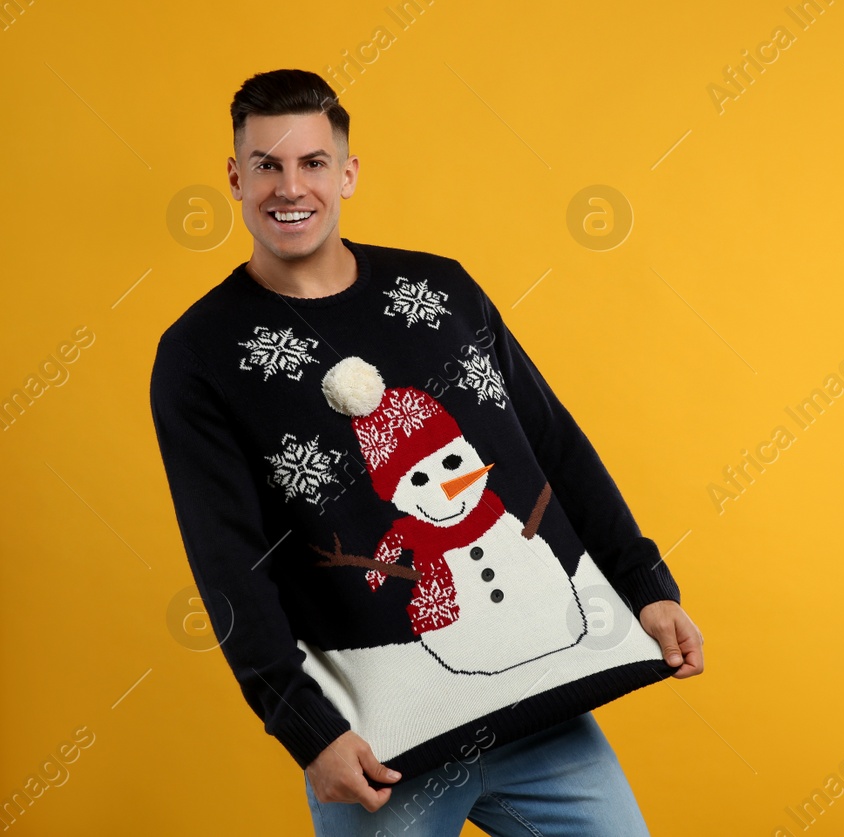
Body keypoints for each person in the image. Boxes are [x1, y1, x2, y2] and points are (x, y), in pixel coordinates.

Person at [149, 69, 704, 836]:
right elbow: (227, 558)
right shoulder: (200, 354)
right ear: (236, 177)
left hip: (541, 709)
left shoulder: (441, 290)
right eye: (267, 165)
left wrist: (645, 582)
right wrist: (305, 727)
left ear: (347, 172)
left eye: (312, 162)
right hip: (384, 745)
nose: (290, 186)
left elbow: (554, 444)